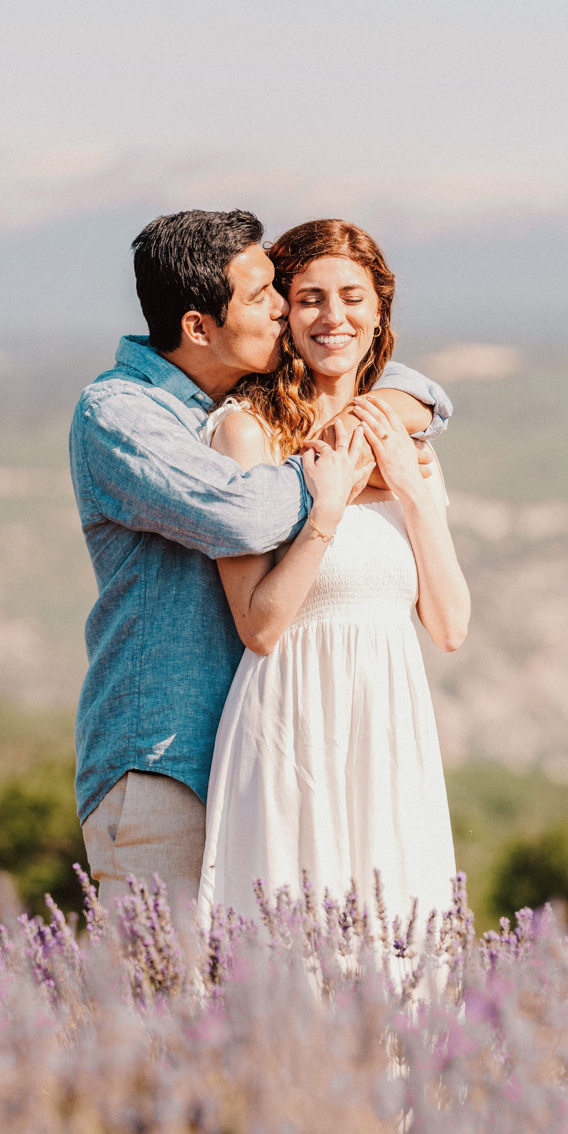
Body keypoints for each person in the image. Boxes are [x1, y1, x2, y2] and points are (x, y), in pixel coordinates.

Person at [69, 209, 453, 928]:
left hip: (262, 760)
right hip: (166, 764)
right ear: (198, 326)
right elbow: (244, 515)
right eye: (264, 297)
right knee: (172, 1014)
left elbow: (407, 382)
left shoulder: (246, 405)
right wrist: (348, 471)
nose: (285, 310)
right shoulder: (123, 417)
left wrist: (381, 418)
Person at [194, 218, 469, 930]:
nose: (332, 316)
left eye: (352, 296)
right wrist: (326, 509)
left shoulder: (405, 441)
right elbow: (258, 624)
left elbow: (450, 624)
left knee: (399, 951)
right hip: (291, 724)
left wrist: (409, 485)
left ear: (380, 314)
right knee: (296, 962)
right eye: (310, 297)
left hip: (389, 731)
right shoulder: (246, 434)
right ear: (284, 312)